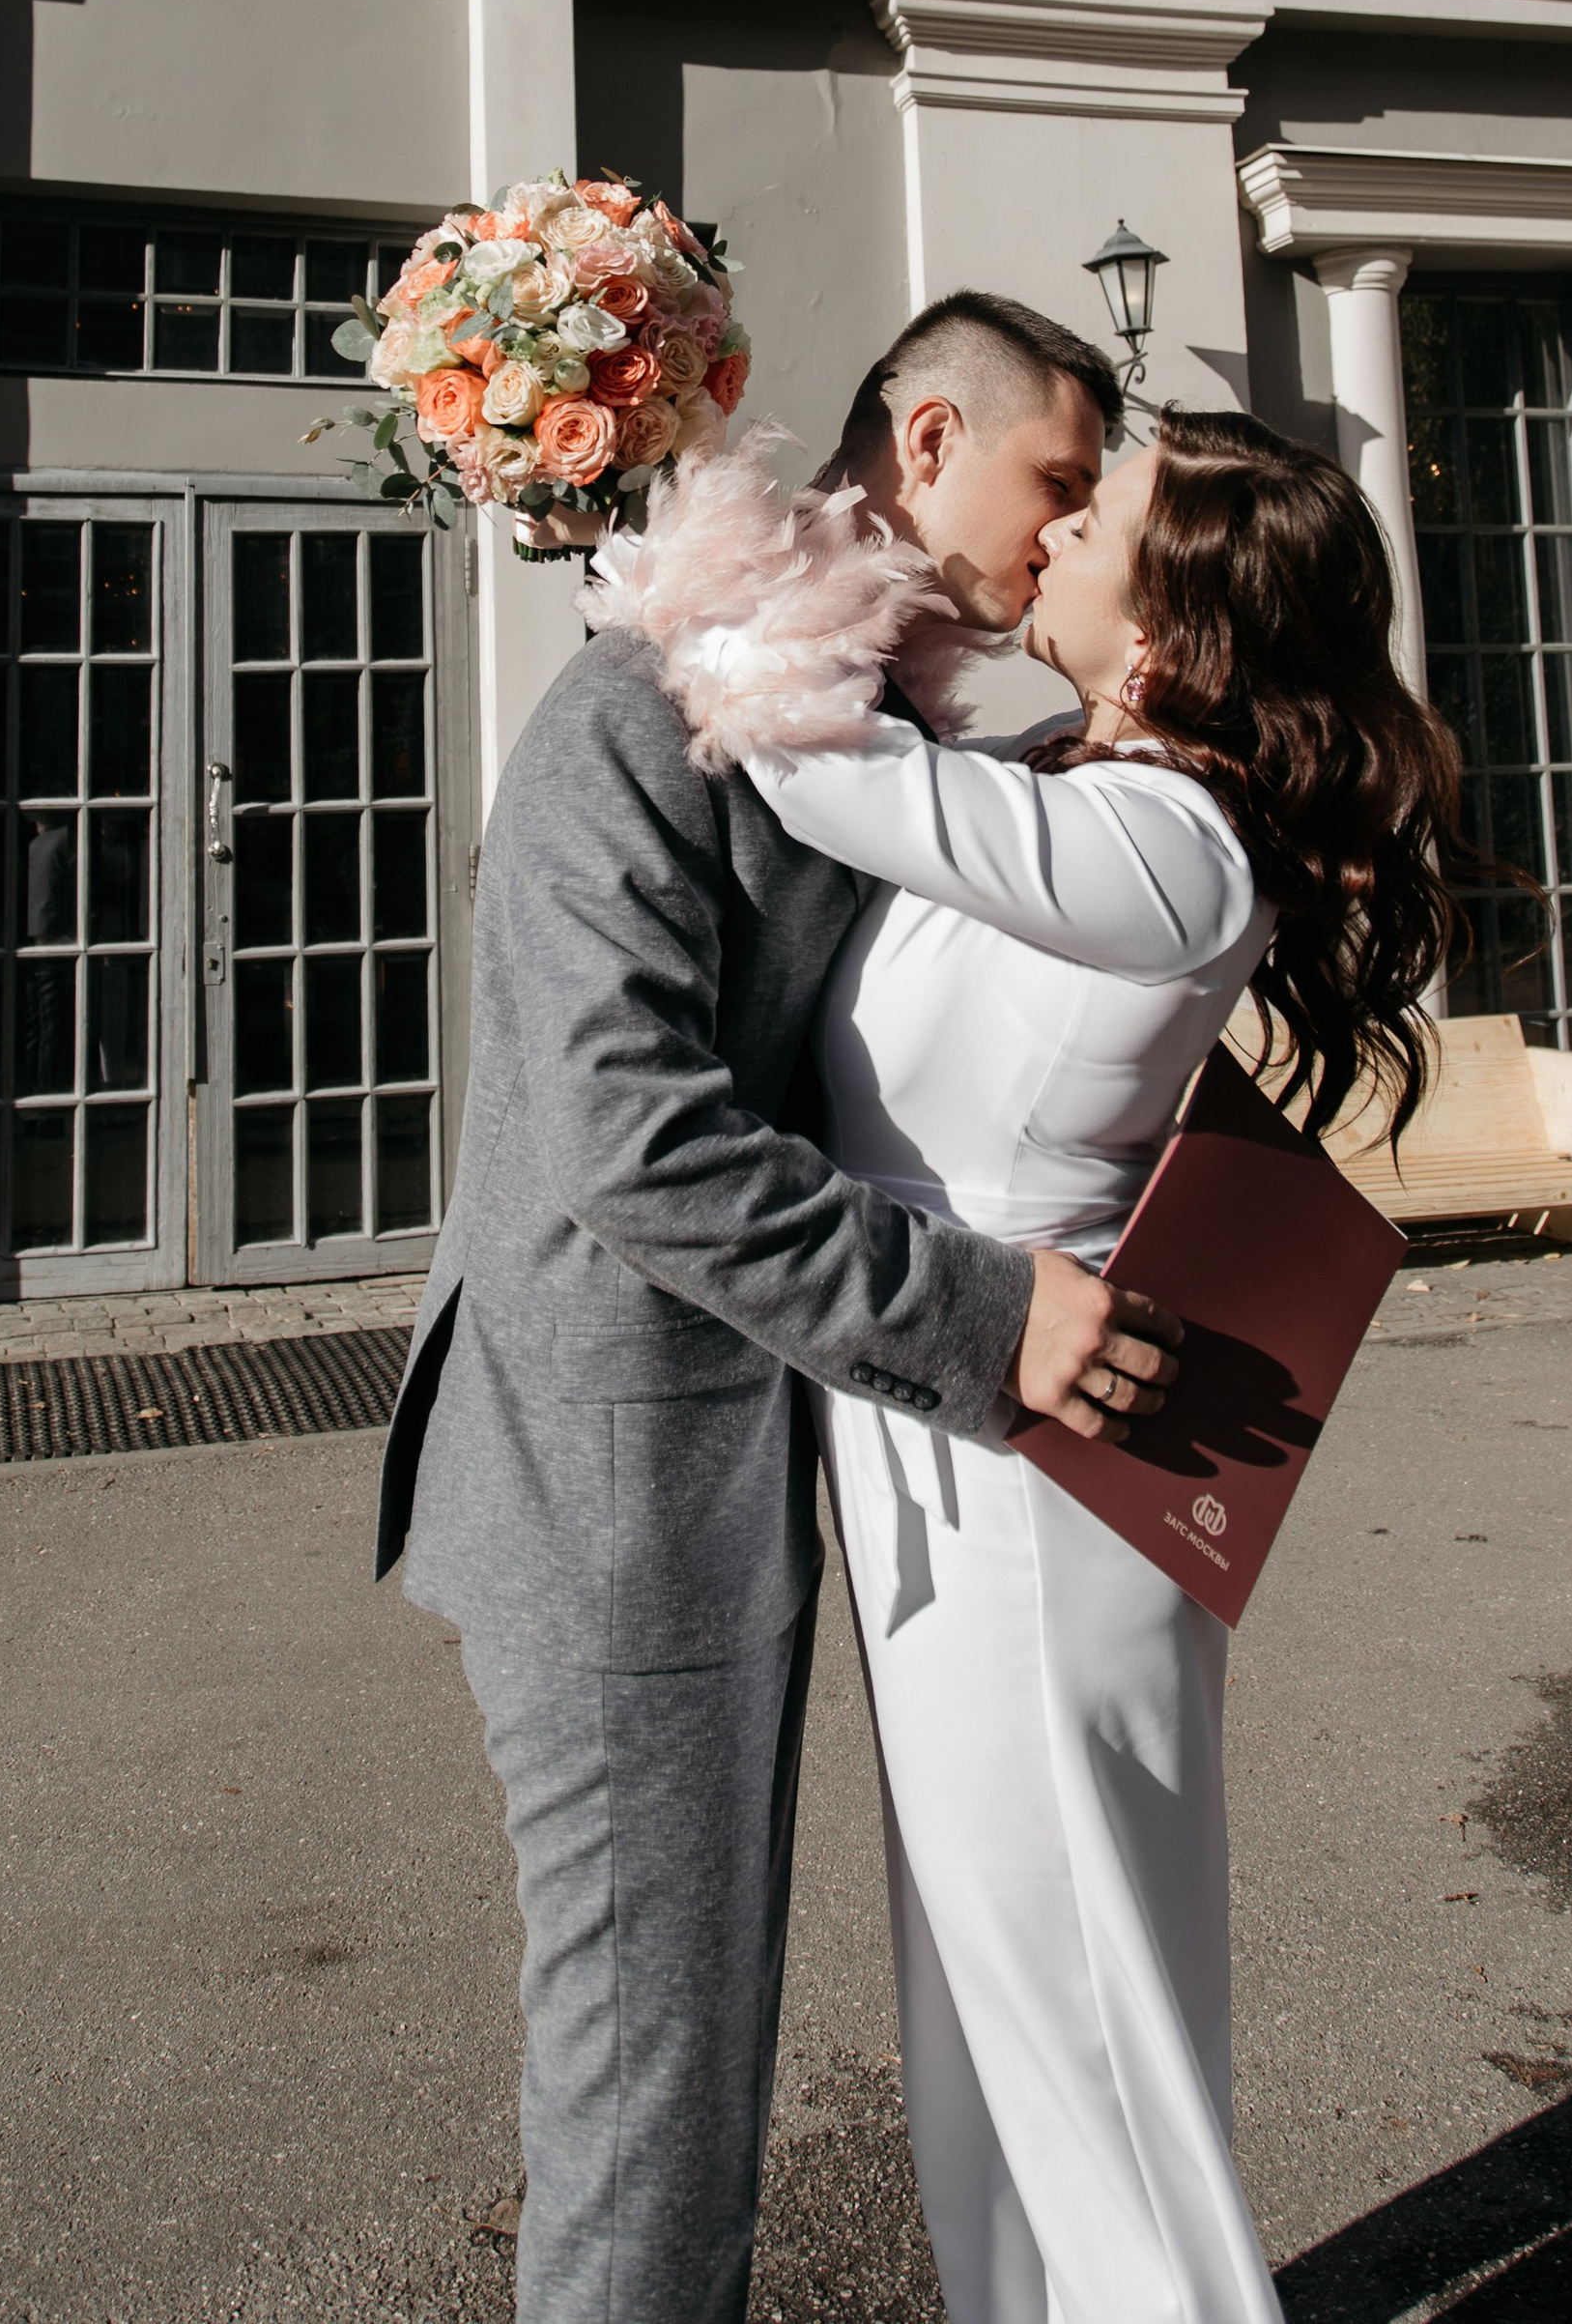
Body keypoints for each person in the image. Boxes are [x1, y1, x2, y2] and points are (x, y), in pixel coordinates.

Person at [373, 290, 1186, 2324]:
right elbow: (631, 1150)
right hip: (607, 1487)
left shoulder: (891, 736)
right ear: (923, 447)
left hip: (759, 1469)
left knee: (694, 2048)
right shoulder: (636, 719)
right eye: (1054, 485)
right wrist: (980, 1311)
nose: (1064, 536)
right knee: (654, 2088)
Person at [669, 408, 1462, 2324]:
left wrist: (631, 507)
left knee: (1081, 2015)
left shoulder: (1166, 850)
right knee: (982, 1992)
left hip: (1044, 1493)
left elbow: (813, 765)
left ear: (1173, 634)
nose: (1060, 511)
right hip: (942, 1430)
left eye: (1098, 507)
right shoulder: (1062, 772)